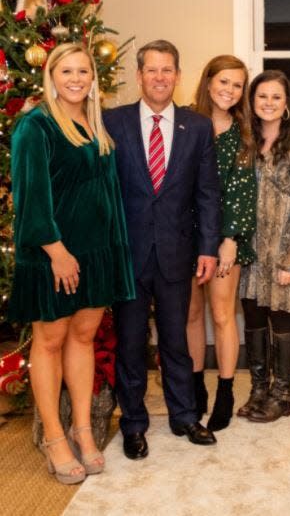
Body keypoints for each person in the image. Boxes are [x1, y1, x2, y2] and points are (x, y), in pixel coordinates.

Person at [9, 43, 135, 483]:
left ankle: (83, 428)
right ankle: (55, 438)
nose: (76, 78)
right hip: (53, 255)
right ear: (51, 75)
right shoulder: (36, 125)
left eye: (83, 71)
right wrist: (56, 251)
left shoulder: (94, 122)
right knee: (49, 340)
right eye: (67, 71)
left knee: (83, 338)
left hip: (96, 253)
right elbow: (30, 196)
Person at [106, 40, 220, 460]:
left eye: (167, 70)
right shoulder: (112, 123)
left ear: (177, 75)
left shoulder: (198, 127)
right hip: (129, 254)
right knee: (131, 343)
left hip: (177, 252)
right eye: (152, 70)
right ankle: (133, 423)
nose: (159, 77)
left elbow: (208, 193)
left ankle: (184, 415)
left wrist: (208, 248)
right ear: (139, 76)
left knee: (176, 340)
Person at [184, 55, 256, 431]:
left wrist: (230, 240)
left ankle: (225, 390)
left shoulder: (243, 133)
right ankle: (195, 388)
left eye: (237, 85)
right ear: (208, 81)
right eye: (224, 81)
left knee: (223, 315)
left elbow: (243, 192)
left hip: (226, 237)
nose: (229, 90)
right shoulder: (185, 123)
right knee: (191, 316)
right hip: (185, 237)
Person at [238, 70, 290, 423]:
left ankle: (282, 394)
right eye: (262, 96)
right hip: (250, 251)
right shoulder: (244, 141)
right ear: (252, 103)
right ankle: (258, 388)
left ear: (286, 105)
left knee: (280, 319)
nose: (268, 103)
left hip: (283, 249)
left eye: (276, 97)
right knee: (253, 317)